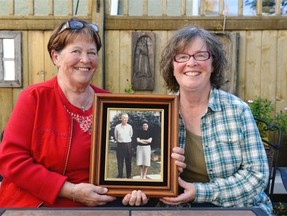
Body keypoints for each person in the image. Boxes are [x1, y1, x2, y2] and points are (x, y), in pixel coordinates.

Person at [0, 17, 186, 208]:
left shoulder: (110, 103)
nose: (86, 60)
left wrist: (140, 187)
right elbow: (11, 161)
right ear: (56, 57)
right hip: (38, 206)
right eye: (76, 51)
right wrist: (70, 191)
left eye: (91, 52)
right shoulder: (35, 98)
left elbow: (119, 179)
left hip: (98, 207)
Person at [158, 25, 273, 215]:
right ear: (172, 66)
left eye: (201, 55)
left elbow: (257, 176)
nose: (191, 62)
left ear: (213, 64)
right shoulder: (159, 113)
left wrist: (200, 192)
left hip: (238, 208)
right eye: (182, 56)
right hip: (178, 210)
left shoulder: (237, 110)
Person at [114, 113, 133, 179]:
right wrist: (121, 140)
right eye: (124, 118)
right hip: (120, 145)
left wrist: (126, 140)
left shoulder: (130, 127)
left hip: (128, 145)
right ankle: (120, 175)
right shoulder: (117, 127)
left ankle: (129, 175)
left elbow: (131, 135)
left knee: (128, 160)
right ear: (121, 119)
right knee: (120, 161)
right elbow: (116, 136)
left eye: (126, 118)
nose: (125, 119)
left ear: (128, 119)